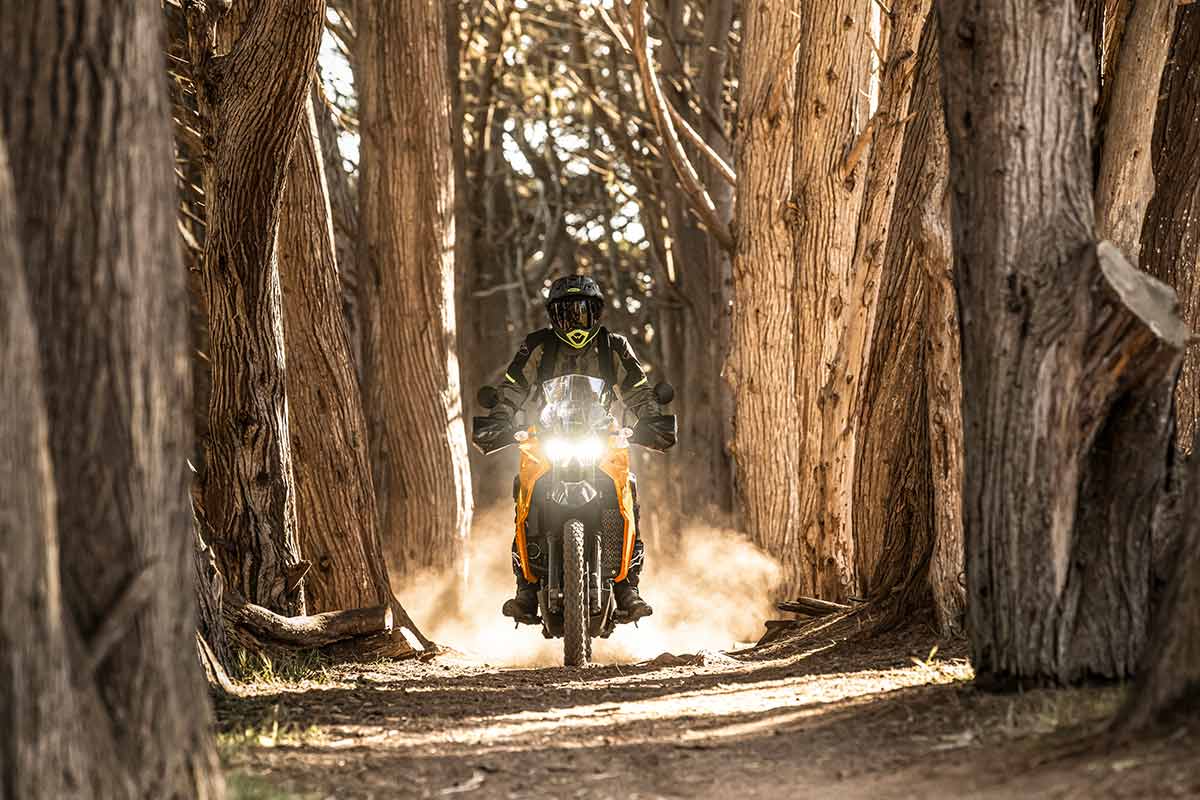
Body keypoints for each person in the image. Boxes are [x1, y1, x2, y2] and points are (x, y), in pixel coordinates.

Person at [481, 275, 674, 623]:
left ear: (595, 313)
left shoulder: (614, 346)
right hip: (549, 434)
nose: (575, 320)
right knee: (524, 495)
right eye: (566, 313)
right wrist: (499, 416)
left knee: (625, 492)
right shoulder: (537, 346)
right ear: (554, 316)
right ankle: (525, 589)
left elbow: (638, 389)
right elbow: (513, 386)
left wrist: (652, 417)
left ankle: (627, 588)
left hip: (602, 436)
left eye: (582, 312)